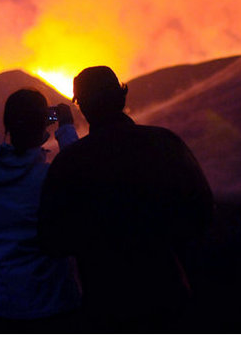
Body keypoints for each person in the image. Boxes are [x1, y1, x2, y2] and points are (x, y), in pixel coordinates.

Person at [38, 66, 213, 332]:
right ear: (121, 97)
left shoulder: (70, 163)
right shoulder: (166, 144)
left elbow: (52, 240)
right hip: (168, 294)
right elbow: (202, 212)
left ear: (82, 106)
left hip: (106, 304)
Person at [0, 88, 81, 332]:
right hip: (51, 301)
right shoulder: (49, 178)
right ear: (43, 124)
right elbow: (79, 169)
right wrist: (64, 128)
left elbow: (3, 154)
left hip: (1, 301)